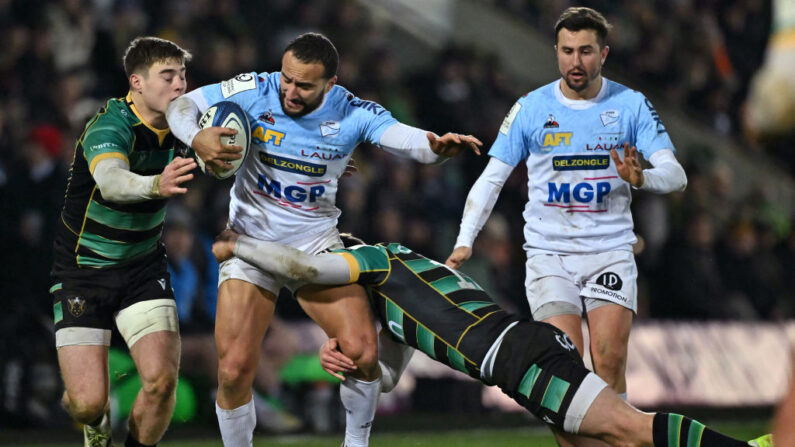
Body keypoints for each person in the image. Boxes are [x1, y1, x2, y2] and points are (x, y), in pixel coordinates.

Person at [165, 32, 482, 447]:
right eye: (287, 79)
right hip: (249, 245)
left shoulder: (351, 111)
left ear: (330, 84)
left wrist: (435, 148)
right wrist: (195, 136)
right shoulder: (255, 88)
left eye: (304, 85)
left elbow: (403, 137)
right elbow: (180, 105)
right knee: (234, 370)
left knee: (363, 353)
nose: (290, 92)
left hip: (315, 245)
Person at [210, 230, 772, 447]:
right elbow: (388, 377)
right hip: (521, 360)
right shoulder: (399, 306)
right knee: (612, 439)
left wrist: (243, 249)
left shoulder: (378, 261)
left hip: (523, 357)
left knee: (629, 430)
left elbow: (304, 271)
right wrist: (355, 368)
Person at [444, 7, 687, 445]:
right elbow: (491, 179)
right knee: (563, 371)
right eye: (568, 51)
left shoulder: (629, 105)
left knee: (609, 359)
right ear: (556, 51)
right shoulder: (531, 109)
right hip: (548, 254)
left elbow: (677, 174)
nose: (577, 62)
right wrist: (465, 241)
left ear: (604, 53)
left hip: (610, 249)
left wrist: (642, 178)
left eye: (587, 52)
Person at [50, 37, 195, 447]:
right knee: (85, 403)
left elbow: (238, 140)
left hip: (142, 268)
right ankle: (95, 424)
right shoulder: (109, 125)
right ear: (137, 82)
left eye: (182, 75)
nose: (179, 85)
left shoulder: (187, 121)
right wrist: (156, 184)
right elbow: (112, 182)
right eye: (167, 77)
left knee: (162, 381)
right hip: (83, 272)